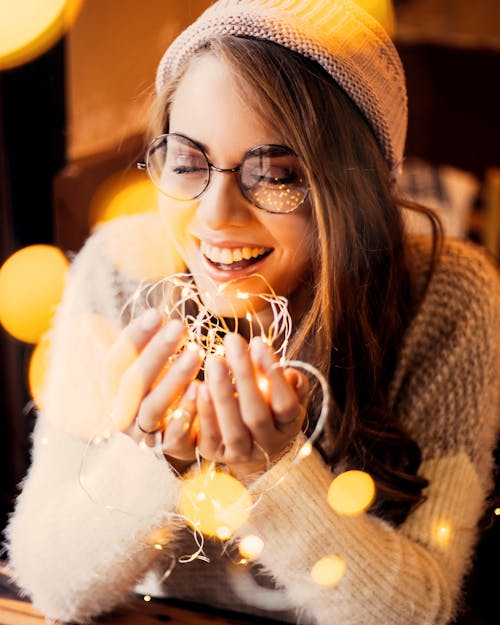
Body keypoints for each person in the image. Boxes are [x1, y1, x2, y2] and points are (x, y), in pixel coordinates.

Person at [5, 1, 500, 624]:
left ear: (357, 192)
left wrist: (277, 475)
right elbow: (50, 582)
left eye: (275, 174)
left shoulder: (446, 296)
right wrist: (150, 460)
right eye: (187, 162)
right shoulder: (119, 270)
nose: (215, 216)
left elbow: (419, 614)